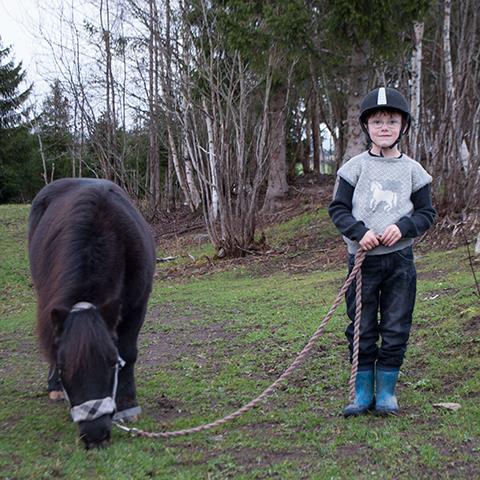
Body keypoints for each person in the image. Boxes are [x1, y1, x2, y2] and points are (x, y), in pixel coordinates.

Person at [328, 87, 436, 417]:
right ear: (366, 127)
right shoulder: (354, 168)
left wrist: (403, 227)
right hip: (363, 262)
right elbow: (338, 209)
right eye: (377, 122)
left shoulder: (413, 171)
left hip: (400, 261)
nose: (385, 127)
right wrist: (359, 233)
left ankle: (386, 391)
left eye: (392, 120)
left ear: (403, 125)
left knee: (395, 324)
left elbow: (426, 213)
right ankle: (362, 393)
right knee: (361, 327)